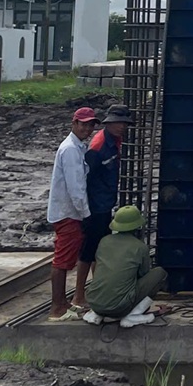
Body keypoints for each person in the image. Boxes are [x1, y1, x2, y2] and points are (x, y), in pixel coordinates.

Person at [46, 106, 99, 321]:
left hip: (68, 211)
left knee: (65, 257)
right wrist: (86, 214)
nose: (87, 128)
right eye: (83, 124)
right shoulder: (70, 150)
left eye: (91, 125)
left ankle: (62, 303)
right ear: (74, 123)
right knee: (63, 260)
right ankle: (57, 307)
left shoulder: (77, 147)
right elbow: (76, 188)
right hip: (69, 213)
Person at [78, 103, 134, 302]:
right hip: (95, 206)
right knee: (89, 250)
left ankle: (97, 288)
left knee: (100, 249)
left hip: (105, 204)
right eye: (119, 123)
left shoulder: (114, 141)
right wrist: (86, 210)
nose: (122, 127)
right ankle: (79, 296)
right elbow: (86, 179)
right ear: (109, 123)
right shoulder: (98, 146)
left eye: (125, 123)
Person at [83, 205, 168, 327]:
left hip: (94, 302)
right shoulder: (140, 247)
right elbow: (143, 275)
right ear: (137, 226)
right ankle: (133, 315)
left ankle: (97, 314)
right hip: (120, 307)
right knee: (160, 273)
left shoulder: (104, 241)